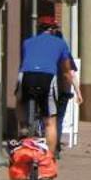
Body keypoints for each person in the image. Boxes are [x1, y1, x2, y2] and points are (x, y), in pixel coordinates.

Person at [17, 12, 77, 154]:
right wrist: (74, 90)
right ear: (54, 29)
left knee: (19, 100)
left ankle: (23, 125)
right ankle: (49, 158)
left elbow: (27, 60)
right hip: (47, 77)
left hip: (26, 74)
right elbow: (66, 71)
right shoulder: (61, 44)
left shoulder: (27, 42)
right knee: (50, 121)